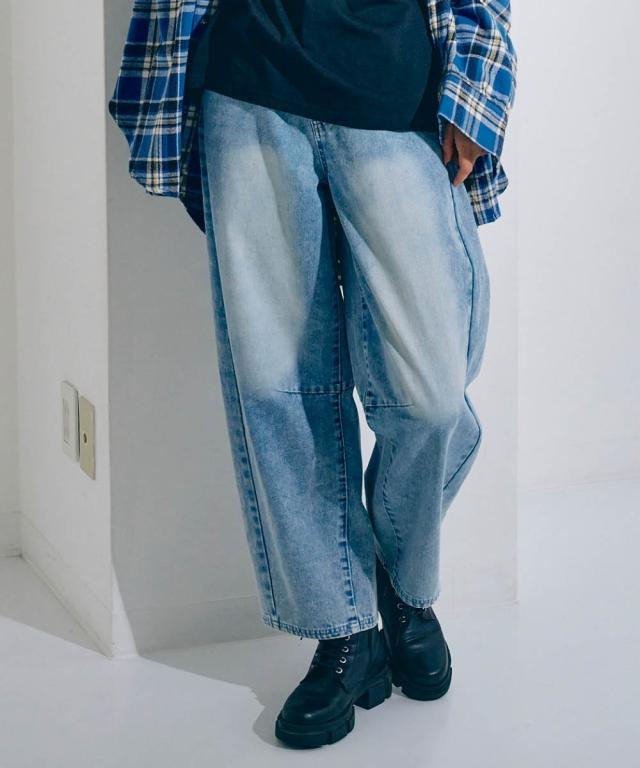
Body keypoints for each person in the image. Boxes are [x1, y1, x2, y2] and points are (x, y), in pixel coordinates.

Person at [109, 0, 517, 749]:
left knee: (429, 396)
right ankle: (345, 633)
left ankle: (396, 580)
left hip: (394, 90)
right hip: (250, 88)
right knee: (277, 390)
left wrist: (474, 90)